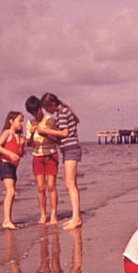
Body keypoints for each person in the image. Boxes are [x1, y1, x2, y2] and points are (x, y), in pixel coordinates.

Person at [37, 93, 82, 229]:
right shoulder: (63, 111)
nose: (46, 112)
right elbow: (62, 137)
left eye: (46, 108)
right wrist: (47, 134)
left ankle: (76, 218)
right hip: (69, 149)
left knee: (70, 184)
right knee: (71, 184)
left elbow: (65, 133)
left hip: (71, 149)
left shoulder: (62, 112)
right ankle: (75, 217)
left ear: (51, 104)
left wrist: (47, 130)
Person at [25, 95, 59, 224]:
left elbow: (58, 140)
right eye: (32, 112)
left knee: (51, 186)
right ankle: (43, 215)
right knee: (40, 187)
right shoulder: (30, 123)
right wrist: (33, 134)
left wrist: (46, 133)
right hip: (37, 156)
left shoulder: (51, 120)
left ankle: (54, 214)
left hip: (50, 154)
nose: (35, 114)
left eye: (36, 111)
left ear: (40, 108)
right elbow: (28, 144)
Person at [0, 111, 25, 229]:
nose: (22, 123)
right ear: (11, 121)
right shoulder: (7, 133)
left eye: (22, 121)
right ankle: (6, 220)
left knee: (12, 193)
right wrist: (10, 154)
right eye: (20, 121)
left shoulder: (18, 136)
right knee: (10, 192)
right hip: (5, 164)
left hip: (13, 167)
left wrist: (21, 145)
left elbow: (20, 154)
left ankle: (8, 219)